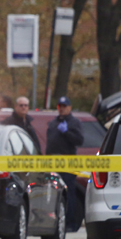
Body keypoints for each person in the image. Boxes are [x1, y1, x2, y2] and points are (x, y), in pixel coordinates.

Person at [46, 96, 84, 231]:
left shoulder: (74, 122)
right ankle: (55, 222)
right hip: (53, 163)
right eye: (59, 106)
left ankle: (71, 223)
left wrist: (67, 132)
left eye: (64, 106)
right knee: (52, 194)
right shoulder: (53, 123)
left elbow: (79, 140)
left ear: (69, 108)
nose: (61, 109)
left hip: (67, 163)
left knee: (69, 193)